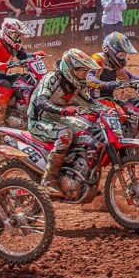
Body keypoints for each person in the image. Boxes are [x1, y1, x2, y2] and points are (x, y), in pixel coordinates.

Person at [28, 49, 104, 197]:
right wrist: (62, 110)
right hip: (39, 120)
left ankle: (79, 177)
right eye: (82, 71)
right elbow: (41, 101)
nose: (84, 75)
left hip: (58, 118)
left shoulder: (77, 85)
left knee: (89, 131)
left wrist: (110, 110)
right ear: (71, 69)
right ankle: (49, 180)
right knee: (66, 134)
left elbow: (91, 103)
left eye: (86, 71)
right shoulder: (51, 78)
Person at [0, 18, 42, 126]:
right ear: (9, 33)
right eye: (18, 35)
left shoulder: (14, 46)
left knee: (23, 79)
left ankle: (21, 113)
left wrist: (35, 55)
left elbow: (24, 56)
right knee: (6, 86)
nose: (20, 38)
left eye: (21, 36)